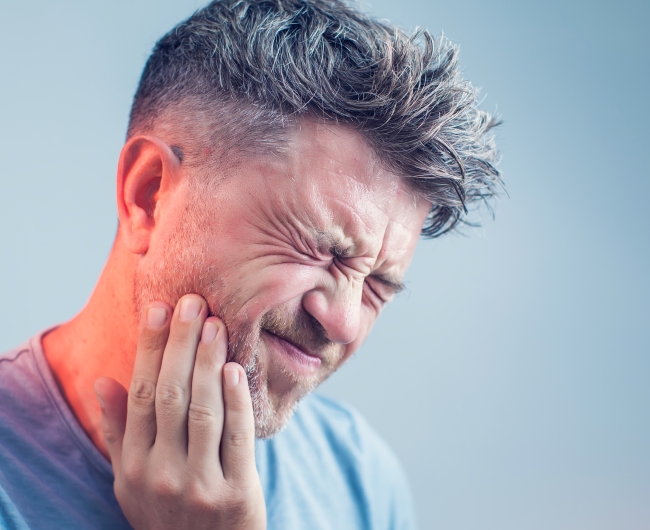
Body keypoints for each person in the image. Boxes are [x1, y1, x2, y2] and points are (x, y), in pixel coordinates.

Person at [0, 0, 501, 528]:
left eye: (377, 285)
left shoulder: (361, 479)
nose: (345, 321)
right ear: (149, 196)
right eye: (320, 249)